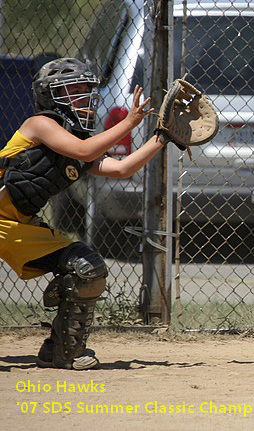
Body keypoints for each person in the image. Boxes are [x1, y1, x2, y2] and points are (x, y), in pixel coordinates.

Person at [0, 58, 170, 369]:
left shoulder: (78, 141)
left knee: (85, 268)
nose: (84, 97)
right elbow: (85, 152)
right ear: (50, 96)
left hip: (16, 225)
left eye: (86, 90)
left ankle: (63, 352)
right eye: (73, 90)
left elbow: (121, 168)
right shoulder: (41, 125)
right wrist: (129, 123)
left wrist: (163, 137)